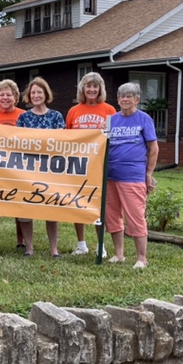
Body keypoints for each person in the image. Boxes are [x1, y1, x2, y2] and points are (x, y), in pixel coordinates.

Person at [105, 82, 159, 269]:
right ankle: (118, 254)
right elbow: (101, 146)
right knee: (112, 216)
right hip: (111, 175)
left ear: (137, 99)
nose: (125, 99)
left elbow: (153, 148)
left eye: (130, 96)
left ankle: (141, 258)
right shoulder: (111, 120)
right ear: (118, 99)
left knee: (135, 216)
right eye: (122, 96)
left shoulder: (144, 119)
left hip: (133, 175)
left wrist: (149, 174)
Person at [65, 72, 117, 257]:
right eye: (88, 86)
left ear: (100, 89)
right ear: (82, 89)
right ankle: (81, 244)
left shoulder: (109, 110)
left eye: (95, 86)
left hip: (100, 165)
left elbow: (114, 138)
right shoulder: (74, 111)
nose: (92, 89)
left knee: (98, 205)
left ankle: (100, 245)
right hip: (78, 164)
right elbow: (67, 138)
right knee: (77, 202)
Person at [16, 77, 65, 258]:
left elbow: (63, 144)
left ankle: (54, 249)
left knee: (51, 209)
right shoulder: (23, 117)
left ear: (46, 94)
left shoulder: (56, 117)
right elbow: (15, 143)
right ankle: (29, 247)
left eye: (39, 92)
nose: (36, 95)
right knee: (26, 209)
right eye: (33, 92)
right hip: (27, 170)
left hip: (50, 170)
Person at [0, 79, 26, 251]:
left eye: (9, 94)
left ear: (15, 97)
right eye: (1, 94)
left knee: (19, 203)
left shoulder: (23, 115)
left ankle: (21, 240)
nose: (5, 98)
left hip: (18, 165)